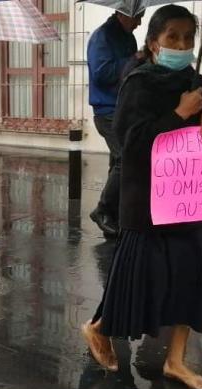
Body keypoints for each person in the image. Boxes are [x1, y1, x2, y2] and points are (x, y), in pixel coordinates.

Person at [81, 5, 202, 389]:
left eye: (188, 38)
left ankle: (176, 361)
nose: (181, 45)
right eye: (172, 38)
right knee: (140, 281)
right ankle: (99, 329)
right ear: (152, 43)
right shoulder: (138, 82)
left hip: (193, 201)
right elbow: (130, 144)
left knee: (193, 276)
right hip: (148, 205)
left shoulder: (195, 81)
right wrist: (178, 114)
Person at [87, 10, 143, 238]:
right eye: (137, 16)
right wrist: (133, 60)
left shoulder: (127, 36)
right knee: (125, 158)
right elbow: (101, 74)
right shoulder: (102, 37)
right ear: (123, 13)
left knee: (117, 162)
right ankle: (102, 210)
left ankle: (114, 213)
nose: (139, 23)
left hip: (124, 106)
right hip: (107, 111)